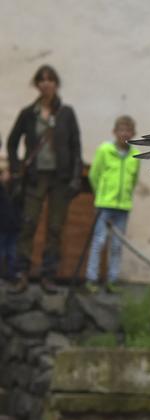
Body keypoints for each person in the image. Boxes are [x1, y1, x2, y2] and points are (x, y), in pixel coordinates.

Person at [7, 64, 83, 295]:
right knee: (28, 223)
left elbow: (76, 146)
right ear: (37, 84)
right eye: (42, 80)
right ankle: (21, 274)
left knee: (55, 227)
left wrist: (76, 178)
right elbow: (12, 143)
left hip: (60, 178)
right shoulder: (28, 113)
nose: (46, 83)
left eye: (50, 79)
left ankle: (48, 275)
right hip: (35, 177)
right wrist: (17, 169)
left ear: (56, 84)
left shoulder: (66, 113)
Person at [84, 115, 140, 294]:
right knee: (99, 241)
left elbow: (134, 179)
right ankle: (91, 278)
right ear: (115, 132)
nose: (125, 134)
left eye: (128, 131)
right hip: (104, 204)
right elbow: (94, 174)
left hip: (123, 207)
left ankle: (112, 279)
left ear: (133, 133)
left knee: (116, 245)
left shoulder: (135, 155)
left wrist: (127, 196)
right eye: (121, 130)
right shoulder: (104, 150)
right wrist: (100, 195)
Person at [0, 140, 21, 282]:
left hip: (12, 224)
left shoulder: (14, 187)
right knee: (3, 250)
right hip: (4, 224)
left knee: (11, 250)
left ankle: (11, 274)